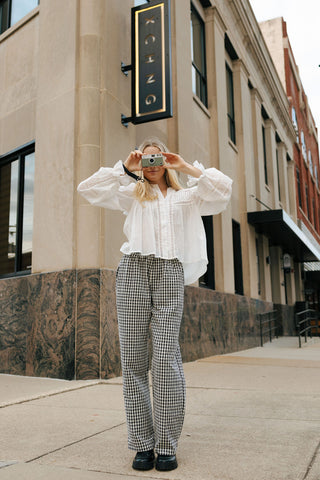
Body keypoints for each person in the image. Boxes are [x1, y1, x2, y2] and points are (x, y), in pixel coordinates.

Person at [77, 137, 232, 472]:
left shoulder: (186, 197)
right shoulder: (131, 194)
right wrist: (125, 168)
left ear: (167, 159)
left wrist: (186, 166)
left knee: (165, 359)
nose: (153, 163)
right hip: (133, 270)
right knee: (133, 359)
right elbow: (86, 189)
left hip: (170, 273)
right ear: (140, 162)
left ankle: (166, 445)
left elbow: (221, 193)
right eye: (146, 159)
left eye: (158, 157)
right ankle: (143, 444)